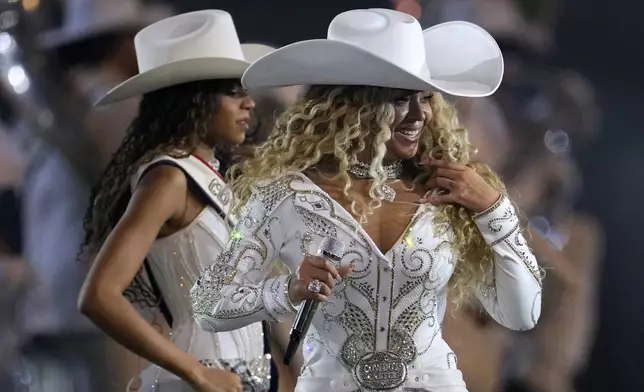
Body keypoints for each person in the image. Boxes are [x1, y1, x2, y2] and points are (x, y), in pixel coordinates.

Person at [191, 8, 542, 392]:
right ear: (349, 106)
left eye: (425, 98)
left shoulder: (452, 190)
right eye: (398, 100)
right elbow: (209, 304)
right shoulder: (285, 196)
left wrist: (494, 207)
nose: (417, 115)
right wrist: (289, 289)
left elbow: (522, 314)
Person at [78, 10, 274, 392]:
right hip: (197, 379)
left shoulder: (212, 175)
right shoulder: (168, 178)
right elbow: (99, 295)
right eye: (233, 90)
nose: (248, 103)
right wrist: (196, 371)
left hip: (242, 378)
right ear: (193, 99)